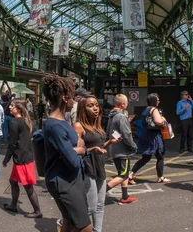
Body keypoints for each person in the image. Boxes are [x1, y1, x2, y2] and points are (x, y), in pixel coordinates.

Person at [42, 74, 92, 232]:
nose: (74, 101)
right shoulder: (55, 125)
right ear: (65, 98)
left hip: (71, 179)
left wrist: (76, 148)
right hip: (63, 181)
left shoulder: (63, 122)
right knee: (86, 227)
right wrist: (82, 150)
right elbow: (72, 160)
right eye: (72, 97)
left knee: (68, 222)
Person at [73, 94, 117, 231]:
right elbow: (74, 150)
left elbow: (100, 147)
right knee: (90, 207)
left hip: (99, 167)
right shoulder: (79, 126)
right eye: (90, 106)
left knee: (100, 205)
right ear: (83, 108)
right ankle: (69, 224)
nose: (95, 108)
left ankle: (97, 230)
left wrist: (110, 142)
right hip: (87, 168)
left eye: (96, 105)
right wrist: (92, 149)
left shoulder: (97, 126)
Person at [2, 99, 42, 218]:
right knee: (13, 181)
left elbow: (12, 144)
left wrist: (6, 159)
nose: (10, 107)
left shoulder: (14, 122)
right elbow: (35, 136)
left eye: (12, 106)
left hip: (21, 159)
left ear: (19, 109)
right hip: (26, 156)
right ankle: (14, 205)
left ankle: (37, 211)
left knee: (28, 187)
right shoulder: (27, 121)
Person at [129, 93, 171, 185]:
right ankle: (160, 177)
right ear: (154, 101)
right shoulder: (154, 109)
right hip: (153, 136)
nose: (159, 101)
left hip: (145, 134)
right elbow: (158, 122)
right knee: (160, 156)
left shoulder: (146, 109)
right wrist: (163, 119)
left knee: (146, 157)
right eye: (158, 100)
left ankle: (130, 174)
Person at [106, 93, 138, 205]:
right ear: (123, 104)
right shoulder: (121, 116)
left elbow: (111, 133)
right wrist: (133, 146)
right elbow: (126, 134)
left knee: (124, 173)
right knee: (123, 175)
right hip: (122, 151)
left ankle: (125, 196)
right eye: (127, 103)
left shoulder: (112, 116)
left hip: (115, 149)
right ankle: (100, 193)